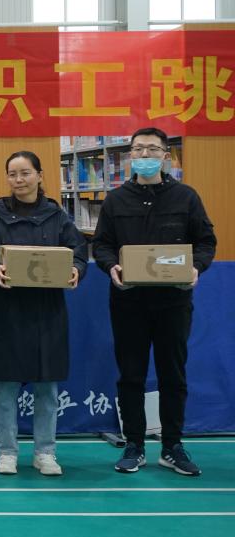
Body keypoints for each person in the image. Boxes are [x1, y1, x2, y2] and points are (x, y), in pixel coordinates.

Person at [92, 127, 216, 476]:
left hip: (173, 302)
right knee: (130, 374)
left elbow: (206, 241)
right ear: (130, 156)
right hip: (128, 301)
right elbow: (101, 244)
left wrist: (196, 267)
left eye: (151, 149)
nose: (144, 155)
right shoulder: (116, 200)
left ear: (165, 155)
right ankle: (134, 445)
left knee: (172, 374)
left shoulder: (186, 197)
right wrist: (111, 266)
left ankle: (172, 446)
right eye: (137, 150)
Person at [0, 151, 86, 477]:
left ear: (39, 175)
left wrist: (77, 269)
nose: (19, 180)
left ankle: (45, 452)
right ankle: (7, 452)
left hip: (46, 313)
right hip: (5, 311)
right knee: (4, 389)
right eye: (13, 174)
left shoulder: (57, 216)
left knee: (47, 388)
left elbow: (78, 251)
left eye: (25, 173)